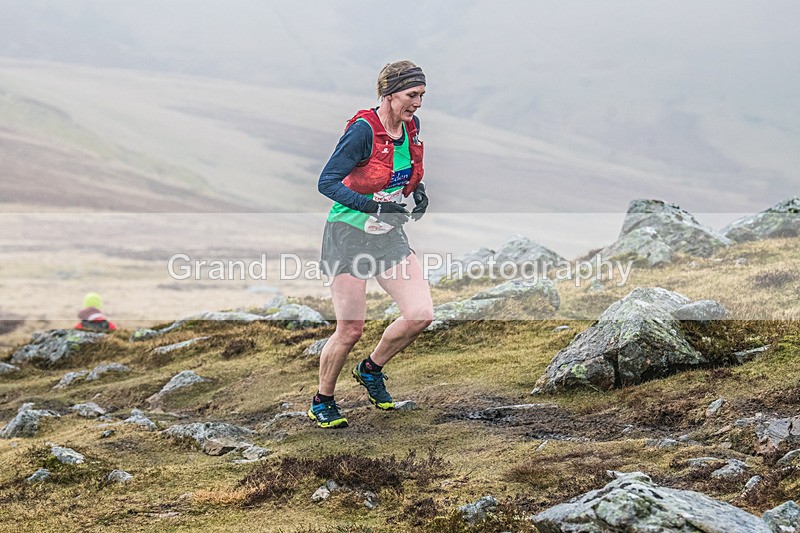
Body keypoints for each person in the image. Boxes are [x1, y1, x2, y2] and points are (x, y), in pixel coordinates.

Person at [308, 61, 434, 429]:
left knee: (420, 315)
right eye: (412, 95)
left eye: (422, 95)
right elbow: (327, 183)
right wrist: (374, 205)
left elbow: (400, 170)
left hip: (387, 235)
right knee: (350, 329)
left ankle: (371, 369)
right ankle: (323, 400)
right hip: (347, 234)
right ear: (389, 93)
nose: (419, 103)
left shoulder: (411, 126)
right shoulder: (362, 131)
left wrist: (418, 191)